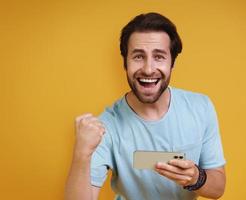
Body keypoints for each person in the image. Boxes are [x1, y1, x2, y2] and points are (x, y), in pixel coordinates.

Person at [65, 12, 226, 200]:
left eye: (159, 57)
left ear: (172, 62)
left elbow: (218, 189)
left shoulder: (201, 108)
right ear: (125, 62)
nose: (148, 69)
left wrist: (196, 178)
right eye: (138, 56)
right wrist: (81, 154)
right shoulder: (106, 126)